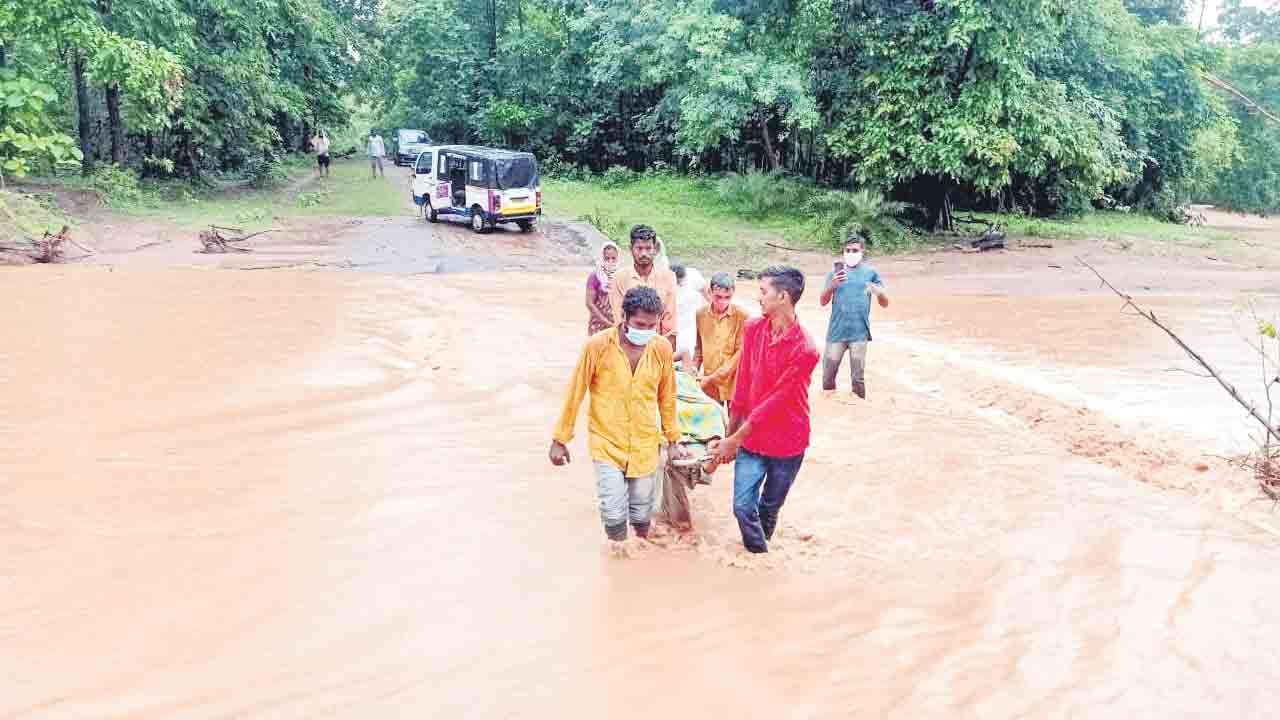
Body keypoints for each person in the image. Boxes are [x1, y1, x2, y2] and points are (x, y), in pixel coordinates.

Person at [550, 287, 691, 542]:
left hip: (645, 442)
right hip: (607, 441)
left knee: (642, 512)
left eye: (651, 326)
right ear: (624, 318)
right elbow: (575, 392)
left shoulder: (660, 348)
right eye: (640, 324)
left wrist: (673, 441)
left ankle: (640, 552)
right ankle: (618, 553)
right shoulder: (597, 346)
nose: (645, 331)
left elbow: (667, 397)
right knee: (613, 511)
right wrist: (560, 439)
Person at [709, 266, 820, 554]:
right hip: (752, 439)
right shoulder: (753, 329)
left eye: (763, 291)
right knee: (742, 507)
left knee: (769, 508)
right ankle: (759, 557)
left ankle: (758, 560)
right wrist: (728, 439)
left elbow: (774, 403)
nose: (759, 297)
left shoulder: (806, 349)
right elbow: (742, 388)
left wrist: (735, 439)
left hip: (788, 442)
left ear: (782, 296)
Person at [819, 231, 890, 399]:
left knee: (858, 379)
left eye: (855, 250)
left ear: (862, 251)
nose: (851, 253)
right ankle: (830, 406)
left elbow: (885, 303)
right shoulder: (834, 274)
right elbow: (822, 301)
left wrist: (879, 292)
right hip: (836, 332)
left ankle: (859, 407)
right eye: (848, 250)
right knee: (828, 376)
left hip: (859, 333)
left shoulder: (871, 274)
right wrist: (832, 285)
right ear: (843, 252)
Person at [609, 225, 679, 350]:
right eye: (639, 248)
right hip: (628, 344)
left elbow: (670, 319)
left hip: (658, 345)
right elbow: (619, 318)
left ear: (655, 249)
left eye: (648, 248)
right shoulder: (619, 278)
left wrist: (665, 352)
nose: (644, 253)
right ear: (631, 249)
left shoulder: (668, 277)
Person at [693, 271, 748, 406]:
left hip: (733, 382)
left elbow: (740, 353)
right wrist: (694, 369)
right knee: (712, 417)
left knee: (735, 418)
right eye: (718, 297)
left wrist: (714, 377)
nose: (723, 302)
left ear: (733, 294)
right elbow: (699, 348)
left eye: (727, 297)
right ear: (710, 292)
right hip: (709, 383)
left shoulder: (741, 315)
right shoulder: (700, 314)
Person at [670, 263, 707, 365]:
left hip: (692, 322)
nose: (678, 283)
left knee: (691, 351)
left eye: (680, 281)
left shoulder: (693, 275)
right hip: (676, 324)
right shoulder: (666, 281)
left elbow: (706, 292)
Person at [586, 241, 620, 335]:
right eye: (607, 258)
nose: (610, 261)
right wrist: (607, 323)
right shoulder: (595, 276)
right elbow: (589, 303)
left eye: (613, 258)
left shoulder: (621, 276)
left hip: (617, 324)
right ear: (602, 258)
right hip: (598, 324)